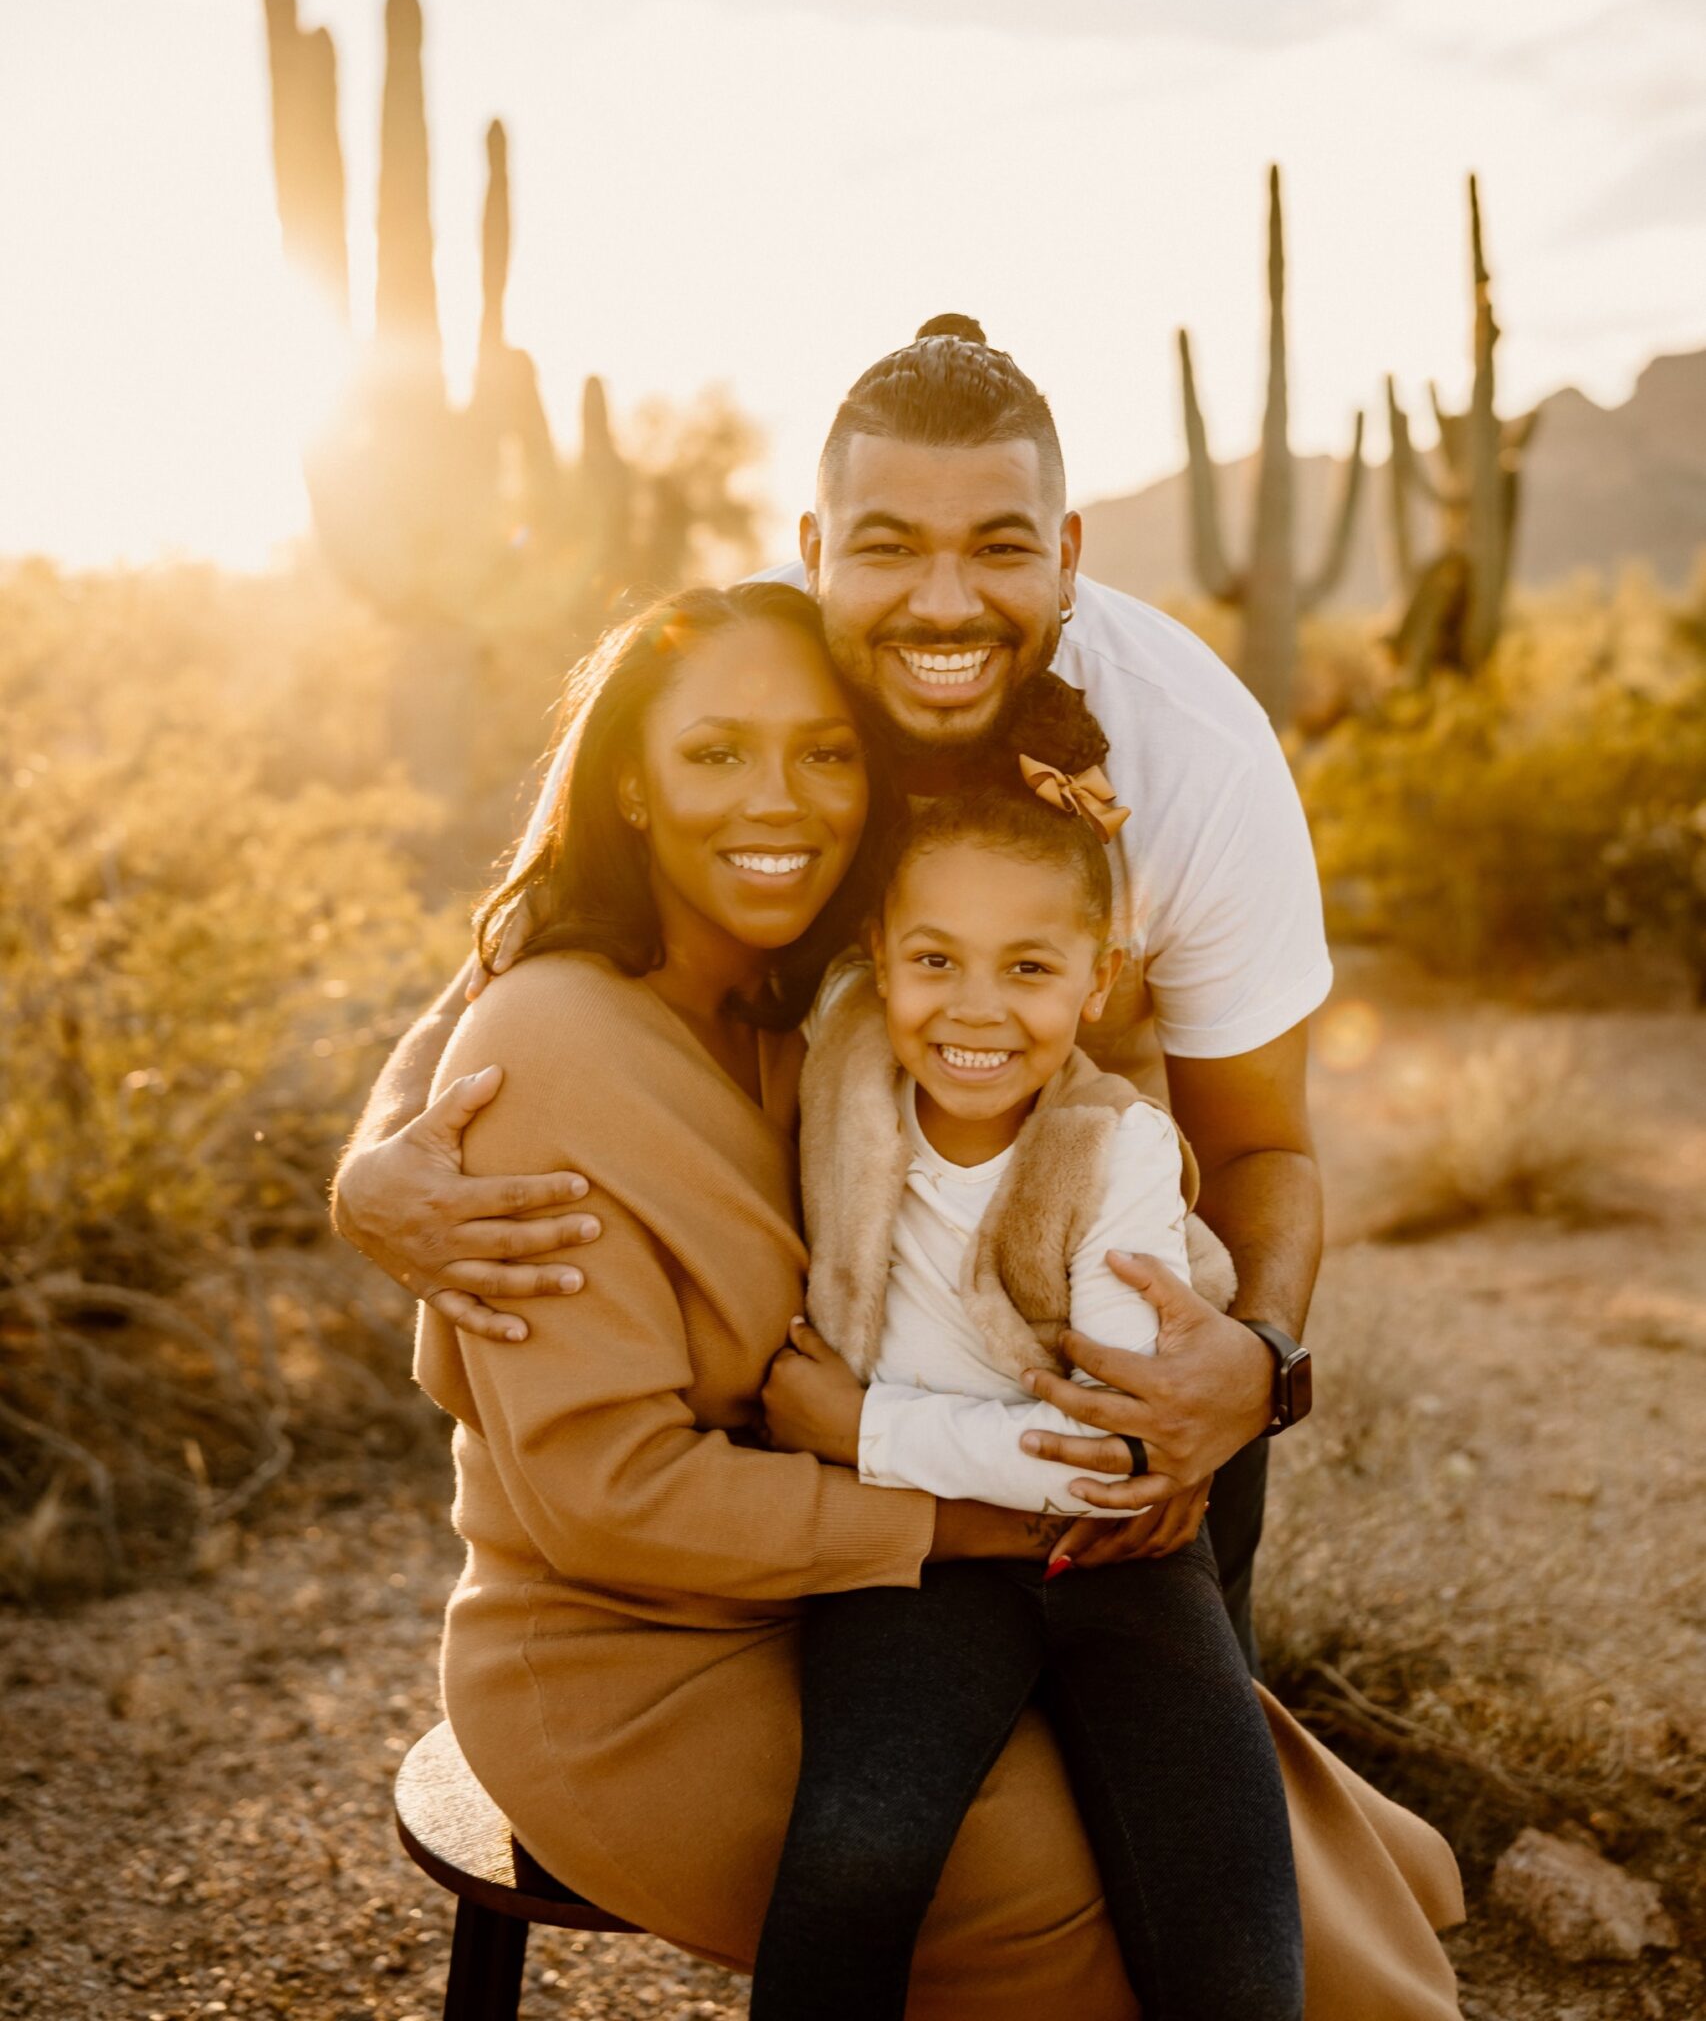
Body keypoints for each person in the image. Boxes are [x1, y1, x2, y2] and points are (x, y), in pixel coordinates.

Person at [413, 577, 1464, 2016]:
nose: (775, 800)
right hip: (633, 1658)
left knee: (1224, 1835)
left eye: (826, 753)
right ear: (634, 790)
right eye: (714, 753)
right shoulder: (549, 1043)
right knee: (1082, 1897)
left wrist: (1206, 1388)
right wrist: (971, 1518)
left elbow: (1095, 1152)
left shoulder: (823, 1007)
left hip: (858, 1584)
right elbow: (609, 1497)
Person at [337, 316, 1334, 1658]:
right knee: (877, 1746)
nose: (939, 603)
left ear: (1066, 555)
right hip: (828, 1290)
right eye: (884, 547)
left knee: (1176, 1746)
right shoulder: (749, 672)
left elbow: (1260, 1142)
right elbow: (529, 938)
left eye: (995, 546)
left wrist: (1255, 1362)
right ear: (813, 552)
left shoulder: (1198, 765)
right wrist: (370, 1161)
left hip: (1090, 1297)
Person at [747, 709, 1304, 2021]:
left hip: (1117, 1559)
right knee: (852, 1855)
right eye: (933, 958)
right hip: (927, 1560)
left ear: (1098, 979)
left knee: (1230, 1912)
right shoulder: (841, 1058)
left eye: (1030, 968)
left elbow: (1107, 1453)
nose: (976, 1010)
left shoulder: (1112, 1154)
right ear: (875, 958)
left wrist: (856, 1426)